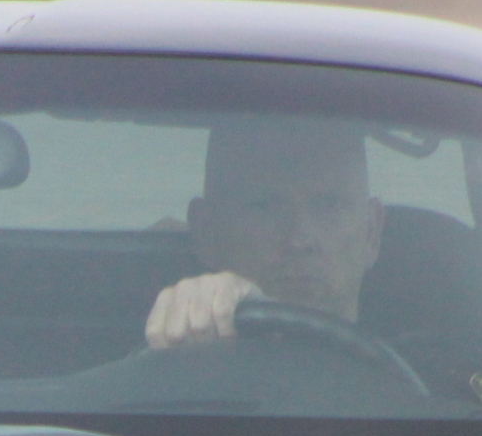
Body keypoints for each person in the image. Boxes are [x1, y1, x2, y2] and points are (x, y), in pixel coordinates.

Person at [144, 117, 385, 350]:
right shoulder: (165, 379)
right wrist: (183, 334)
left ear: (371, 234)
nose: (299, 241)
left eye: (329, 206)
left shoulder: (419, 372)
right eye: (265, 207)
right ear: (207, 232)